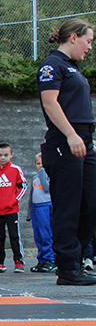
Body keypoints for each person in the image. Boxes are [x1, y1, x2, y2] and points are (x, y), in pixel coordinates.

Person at [37, 17, 96, 286]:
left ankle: (78, 258)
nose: (90, 46)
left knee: (90, 202)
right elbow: (50, 103)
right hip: (64, 141)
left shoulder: (73, 68)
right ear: (74, 37)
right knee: (67, 206)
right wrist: (71, 134)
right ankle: (68, 267)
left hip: (83, 140)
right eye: (88, 40)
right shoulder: (52, 65)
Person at [0, 140, 27, 274]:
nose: (3, 158)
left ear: (11, 155)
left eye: (6, 155)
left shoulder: (16, 170)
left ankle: (19, 261)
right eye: (0, 155)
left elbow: (23, 186)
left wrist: (14, 200)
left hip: (12, 210)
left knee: (14, 236)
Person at [27, 153, 56, 273]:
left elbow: (46, 188)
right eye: (38, 164)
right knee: (38, 236)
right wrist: (29, 212)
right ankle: (42, 259)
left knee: (46, 234)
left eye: (43, 163)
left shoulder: (48, 176)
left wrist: (43, 172)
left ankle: (50, 259)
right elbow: (31, 196)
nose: (41, 166)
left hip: (46, 207)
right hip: (36, 208)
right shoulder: (35, 178)